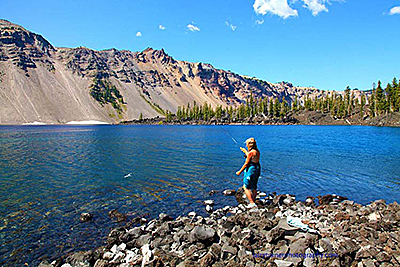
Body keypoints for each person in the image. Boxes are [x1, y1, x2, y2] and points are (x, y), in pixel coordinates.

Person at [236, 137, 261, 208]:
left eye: (246, 144)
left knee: (245, 186)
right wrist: (245, 151)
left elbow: (246, 163)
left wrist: (239, 171)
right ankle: (253, 200)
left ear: (249, 145)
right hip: (257, 168)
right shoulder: (257, 151)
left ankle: (252, 203)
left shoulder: (251, 153)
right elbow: (252, 157)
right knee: (254, 186)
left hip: (251, 170)